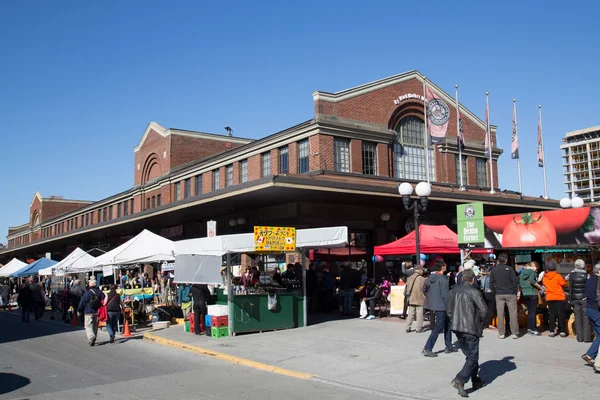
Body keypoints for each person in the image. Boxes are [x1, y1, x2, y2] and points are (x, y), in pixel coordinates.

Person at [447, 269, 488, 397]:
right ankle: (460, 379)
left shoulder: (453, 291)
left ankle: (475, 380)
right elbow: (484, 311)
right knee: (472, 356)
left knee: (470, 355)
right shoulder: (474, 292)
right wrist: (480, 323)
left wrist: (454, 321)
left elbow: (449, 310)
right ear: (473, 279)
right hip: (470, 328)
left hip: (457, 327)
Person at [422, 259, 455, 357]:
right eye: (445, 265)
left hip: (435, 305)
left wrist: (431, 297)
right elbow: (445, 295)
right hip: (443, 306)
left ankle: (448, 345)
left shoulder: (429, 278)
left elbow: (424, 289)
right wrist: (449, 307)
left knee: (447, 325)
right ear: (442, 267)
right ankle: (428, 348)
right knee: (439, 327)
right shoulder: (442, 279)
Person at [490, 253, 519, 339]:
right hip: (510, 293)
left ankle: (501, 333)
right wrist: (514, 291)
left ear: (498, 260)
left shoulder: (494, 270)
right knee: (513, 313)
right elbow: (515, 281)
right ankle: (514, 333)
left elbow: (491, 283)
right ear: (506, 260)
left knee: (500, 313)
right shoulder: (510, 269)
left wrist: (495, 291)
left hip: (499, 293)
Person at [569, 259, 593, 342]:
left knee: (577, 317)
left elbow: (567, 280)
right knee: (586, 317)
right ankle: (587, 338)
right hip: (585, 298)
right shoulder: (587, 275)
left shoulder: (571, 275)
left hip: (575, 298)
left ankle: (579, 337)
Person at [582, 263, 600, 372]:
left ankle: (592, 355)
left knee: (598, 334)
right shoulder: (597, 281)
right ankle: (590, 354)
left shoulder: (589, 279)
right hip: (595, 309)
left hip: (589, 308)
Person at [542, 261, 568, 337]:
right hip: (559, 296)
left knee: (552, 314)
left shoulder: (545, 277)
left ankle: (551, 331)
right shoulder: (558, 276)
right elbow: (563, 283)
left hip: (550, 297)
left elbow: (544, 284)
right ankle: (562, 330)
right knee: (561, 313)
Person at [78, 279, 105, 346]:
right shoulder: (99, 292)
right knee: (95, 326)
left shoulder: (87, 293)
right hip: (97, 312)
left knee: (88, 326)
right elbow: (104, 298)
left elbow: (82, 303)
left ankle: (91, 337)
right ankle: (94, 337)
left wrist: (79, 310)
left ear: (90, 284)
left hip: (88, 311)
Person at [519, 262, 543, 336]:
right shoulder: (531, 271)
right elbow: (532, 281)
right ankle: (533, 329)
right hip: (532, 292)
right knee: (533, 311)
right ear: (534, 266)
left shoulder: (523, 272)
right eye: (536, 268)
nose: (536, 270)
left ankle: (529, 328)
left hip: (525, 293)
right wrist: (540, 286)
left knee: (529, 311)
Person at [405, 266, 426, 333]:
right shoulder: (422, 279)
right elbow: (424, 289)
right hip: (419, 298)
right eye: (422, 270)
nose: (423, 271)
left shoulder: (409, 278)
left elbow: (406, 289)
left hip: (411, 298)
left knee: (411, 313)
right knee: (419, 314)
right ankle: (418, 328)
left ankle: (407, 327)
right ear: (419, 270)